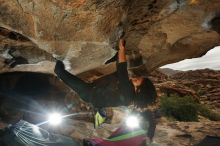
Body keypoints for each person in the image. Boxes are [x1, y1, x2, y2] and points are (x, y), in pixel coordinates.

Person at [54, 39, 157, 142]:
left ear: (140, 90)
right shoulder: (130, 94)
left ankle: (58, 60)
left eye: (140, 80)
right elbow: (124, 72)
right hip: (99, 88)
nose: (137, 78)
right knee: (121, 75)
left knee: (59, 71)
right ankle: (115, 56)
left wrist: (122, 49)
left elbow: (122, 69)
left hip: (88, 93)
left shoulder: (127, 95)